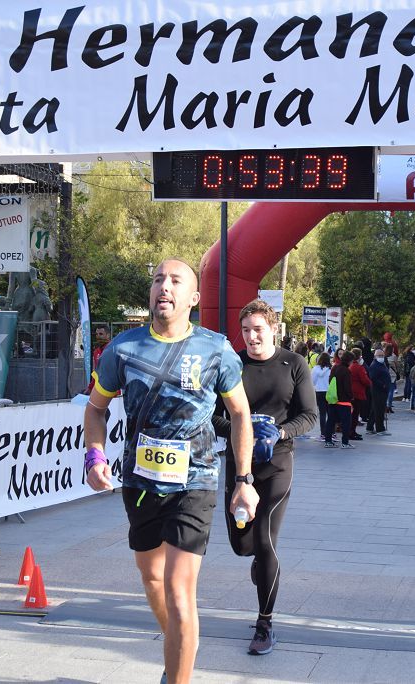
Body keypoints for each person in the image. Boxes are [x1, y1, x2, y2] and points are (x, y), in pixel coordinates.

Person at [83, 259, 258, 684]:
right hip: (140, 484)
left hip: (195, 482)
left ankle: (178, 666)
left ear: (194, 299)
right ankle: (180, 641)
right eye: (159, 279)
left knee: (180, 591)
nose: (165, 286)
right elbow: (95, 409)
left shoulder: (215, 350)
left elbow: (240, 415)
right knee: (152, 578)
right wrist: (94, 455)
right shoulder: (123, 349)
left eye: (176, 281)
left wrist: (244, 481)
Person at [213, 299, 317, 656]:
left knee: (265, 539)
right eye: (245, 330)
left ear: (274, 328)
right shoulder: (233, 365)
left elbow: (309, 416)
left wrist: (280, 433)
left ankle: (265, 624)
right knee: (242, 545)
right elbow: (214, 417)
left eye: (258, 329)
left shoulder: (294, 364)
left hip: (277, 464)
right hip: (241, 465)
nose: (251, 336)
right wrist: (244, 431)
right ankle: (258, 560)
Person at [329, 350, 355, 448]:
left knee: (331, 421)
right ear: (349, 361)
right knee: (346, 422)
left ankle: (328, 440)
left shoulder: (335, 368)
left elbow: (330, 381)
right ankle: (345, 442)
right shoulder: (346, 371)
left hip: (333, 398)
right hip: (344, 400)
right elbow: (347, 386)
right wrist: (350, 397)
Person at [367, 348, 392, 436]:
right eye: (379, 356)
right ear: (375, 356)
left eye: (382, 355)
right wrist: (383, 385)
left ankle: (369, 427)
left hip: (383, 390)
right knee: (379, 410)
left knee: (375, 409)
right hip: (378, 390)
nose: (381, 357)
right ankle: (380, 429)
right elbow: (373, 378)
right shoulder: (374, 365)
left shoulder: (382, 364)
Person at [349, 349, 372, 438]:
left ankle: (352, 431)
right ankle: (352, 432)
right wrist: (370, 383)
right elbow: (365, 380)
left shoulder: (350, 366)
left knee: (352, 413)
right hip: (357, 393)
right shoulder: (358, 367)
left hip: (350, 392)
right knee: (355, 414)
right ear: (359, 356)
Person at [84, 324, 112, 394]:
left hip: (112, 391)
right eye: (97, 334)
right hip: (99, 390)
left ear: (108, 335)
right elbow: (96, 372)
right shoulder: (96, 352)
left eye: (101, 334)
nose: (98, 336)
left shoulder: (113, 350)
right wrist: (90, 387)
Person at [312, 353, 332, 447]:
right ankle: (331, 432)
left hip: (319, 391)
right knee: (330, 413)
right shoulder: (331, 369)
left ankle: (323, 433)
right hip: (328, 392)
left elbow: (312, 381)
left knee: (322, 413)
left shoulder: (315, 369)